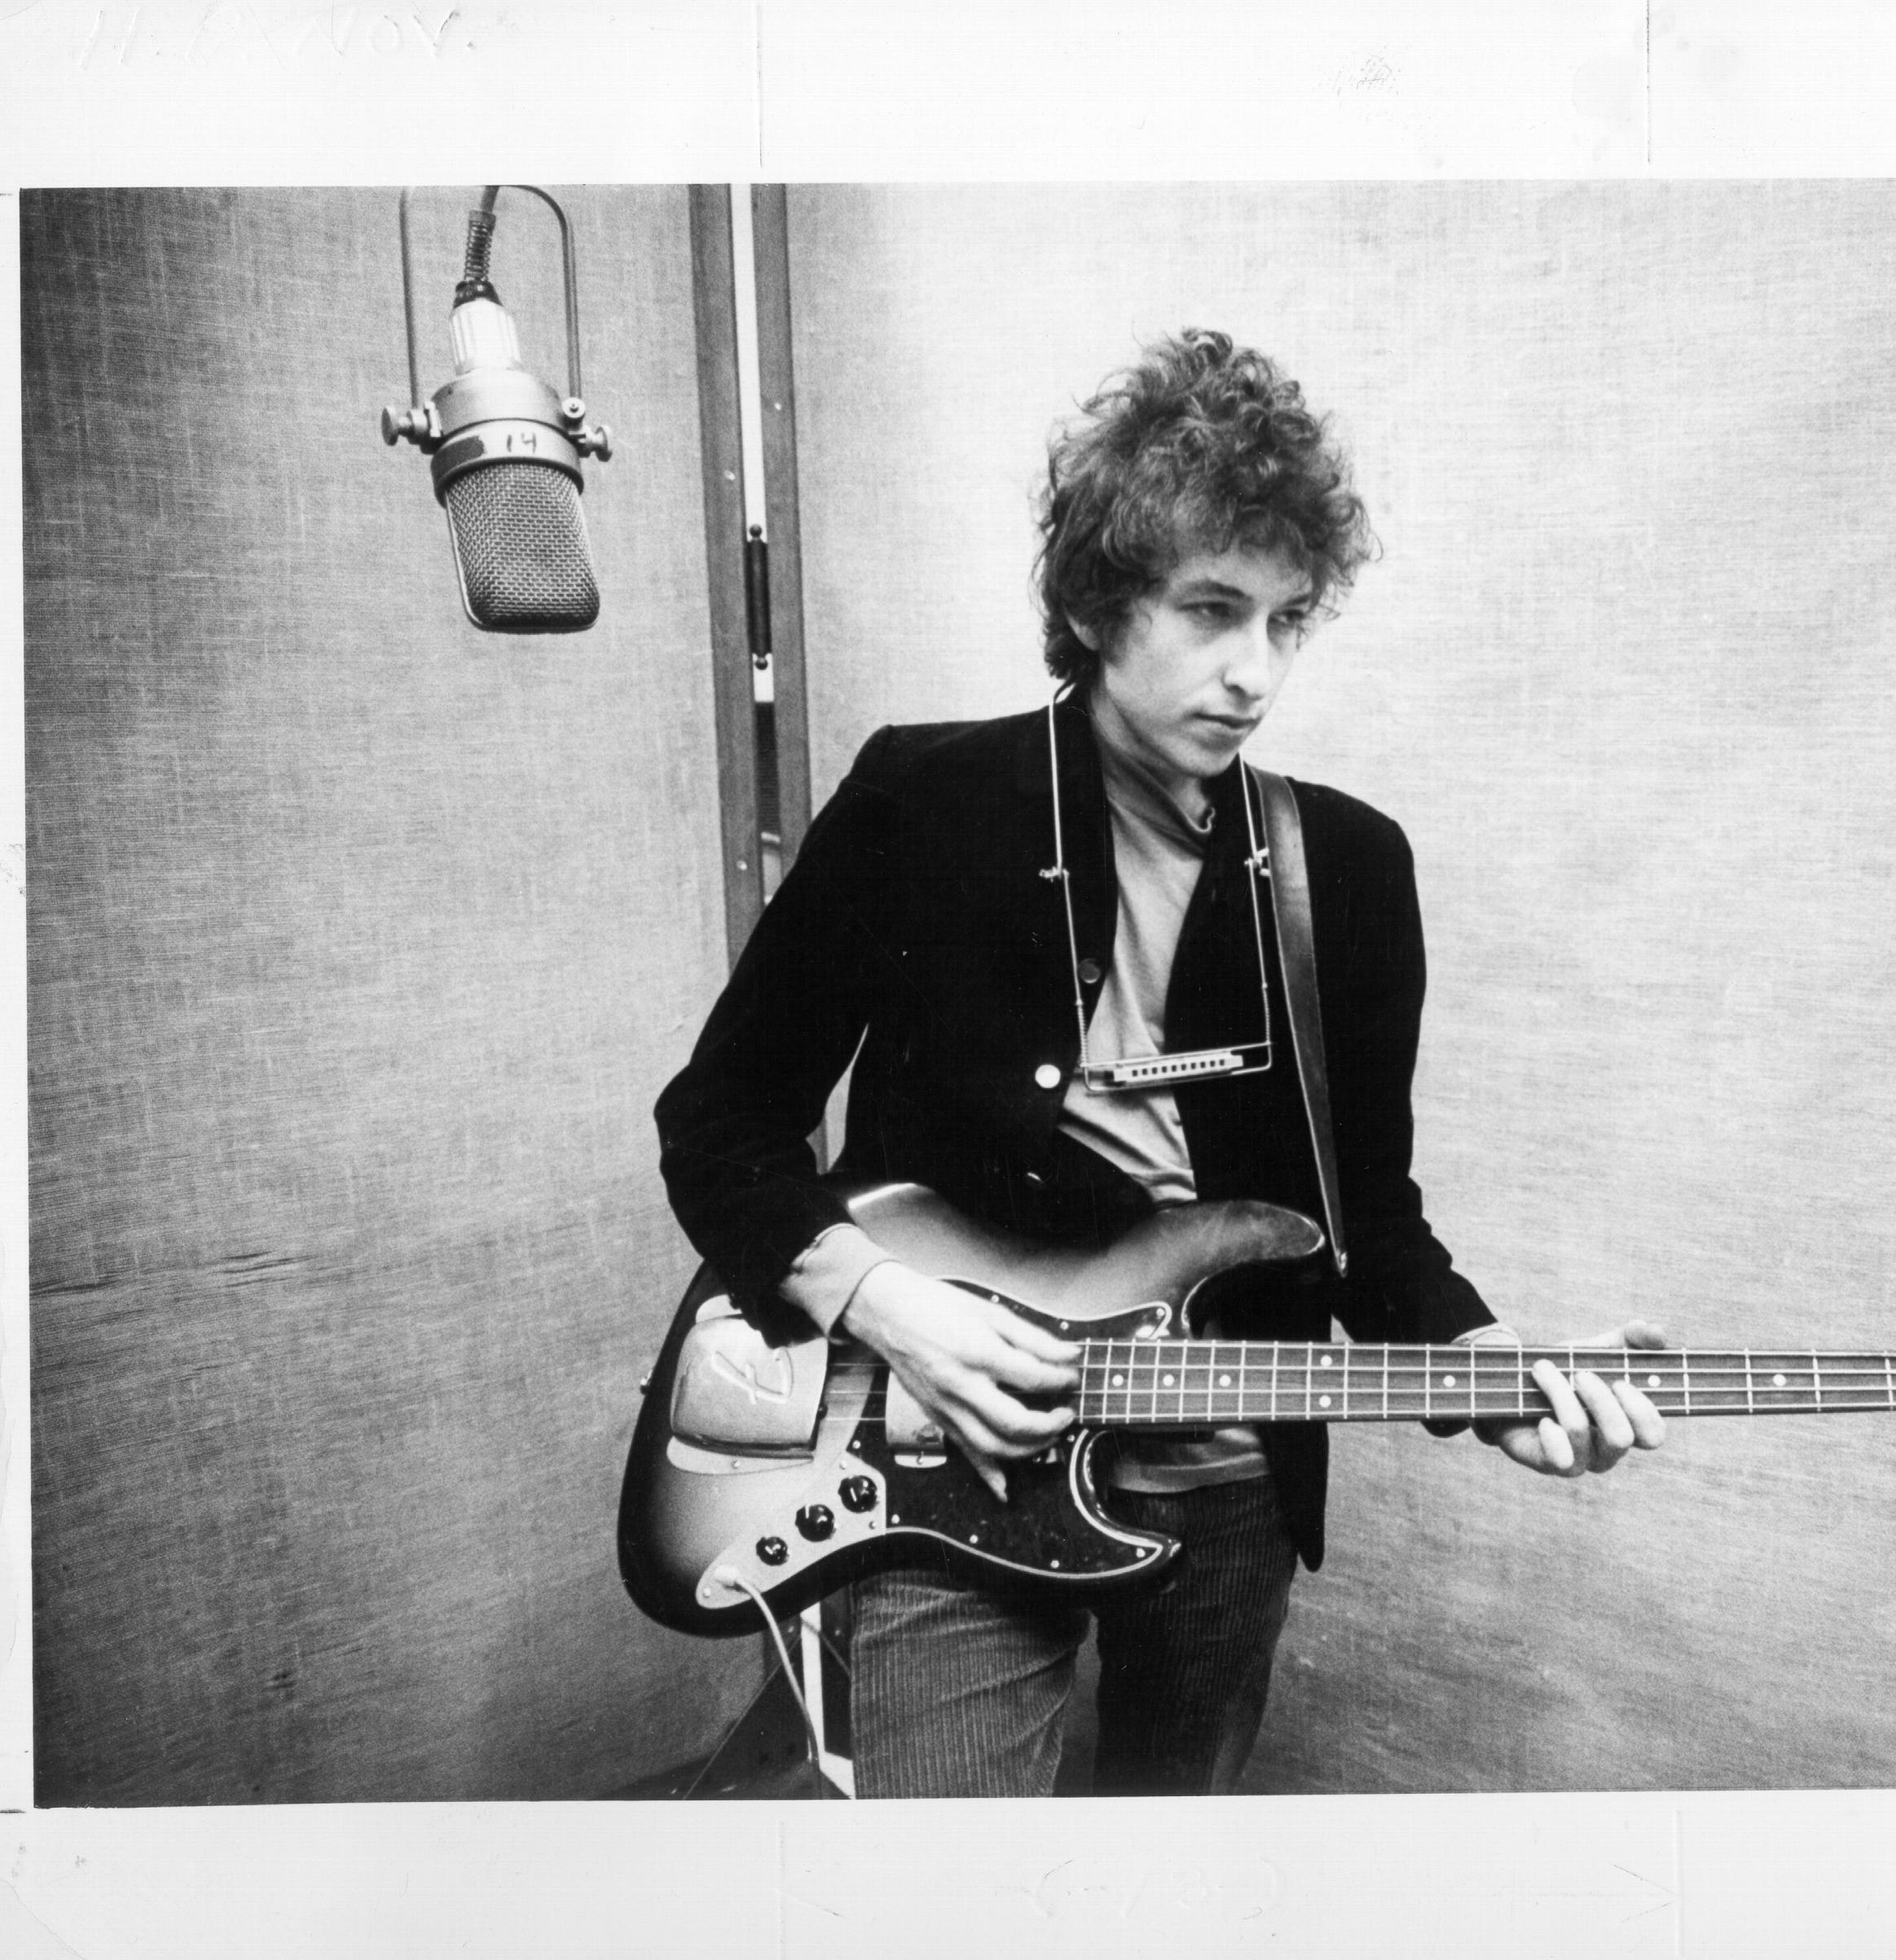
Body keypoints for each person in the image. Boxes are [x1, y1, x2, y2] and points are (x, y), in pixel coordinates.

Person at [655, 328, 1665, 1799]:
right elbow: (723, 1122)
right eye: (1210, 609)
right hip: (943, 1464)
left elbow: (1363, 1217)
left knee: (1161, 1898)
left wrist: (1481, 1363)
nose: (1252, 671)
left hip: (1227, 1498)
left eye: (1286, 619)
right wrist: (885, 1300)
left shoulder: (1351, 870)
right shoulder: (922, 803)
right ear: (1101, 595)